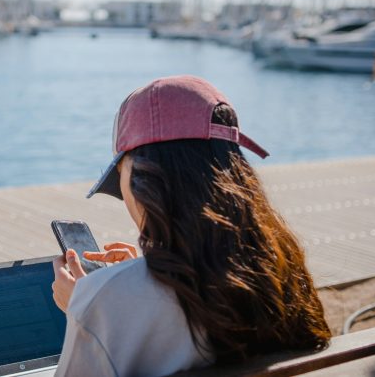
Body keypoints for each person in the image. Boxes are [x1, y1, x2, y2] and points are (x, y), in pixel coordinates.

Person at [51, 75, 331, 376]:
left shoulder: (103, 300)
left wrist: (89, 310)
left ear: (144, 180)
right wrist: (138, 280)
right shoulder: (282, 270)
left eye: (122, 172)